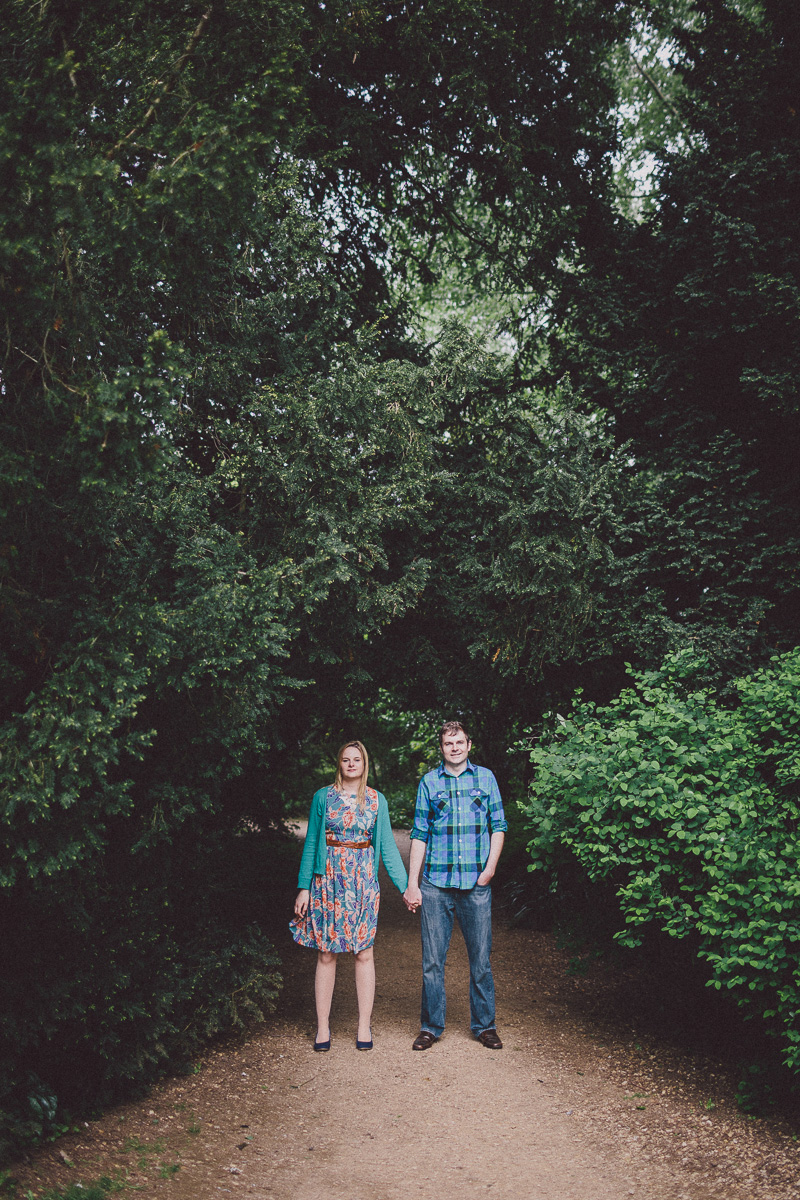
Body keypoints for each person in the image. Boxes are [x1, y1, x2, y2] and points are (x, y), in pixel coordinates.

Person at [291, 740, 408, 1051]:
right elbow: (312, 844)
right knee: (326, 953)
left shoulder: (375, 800)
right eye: (346, 759)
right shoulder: (322, 797)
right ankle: (322, 1028)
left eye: (357, 759)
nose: (352, 764)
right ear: (339, 763)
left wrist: (406, 887)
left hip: (363, 884)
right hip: (327, 883)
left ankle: (363, 1026)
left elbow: (387, 847)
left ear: (364, 764)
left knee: (363, 952)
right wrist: (304, 887)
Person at [403, 720, 507, 1050]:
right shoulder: (429, 783)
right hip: (436, 883)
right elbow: (419, 834)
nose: (455, 747)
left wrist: (489, 870)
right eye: (449, 743)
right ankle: (431, 1027)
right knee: (432, 961)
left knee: (481, 959)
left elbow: (498, 827)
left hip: (476, 883)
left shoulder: (486, 778)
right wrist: (412, 884)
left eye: (460, 742)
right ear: (442, 748)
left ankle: (485, 1026)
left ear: (469, 744)